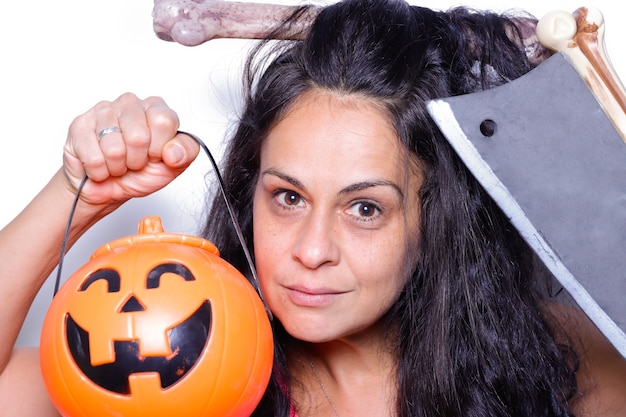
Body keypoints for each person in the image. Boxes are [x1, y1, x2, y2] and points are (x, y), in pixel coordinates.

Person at [1, 0, 625, 415]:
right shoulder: (189, 373)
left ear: (434, 218)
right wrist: (76, 193)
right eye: (288, 197)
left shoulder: (545, 354)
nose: (311, 250)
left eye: (365, 210)